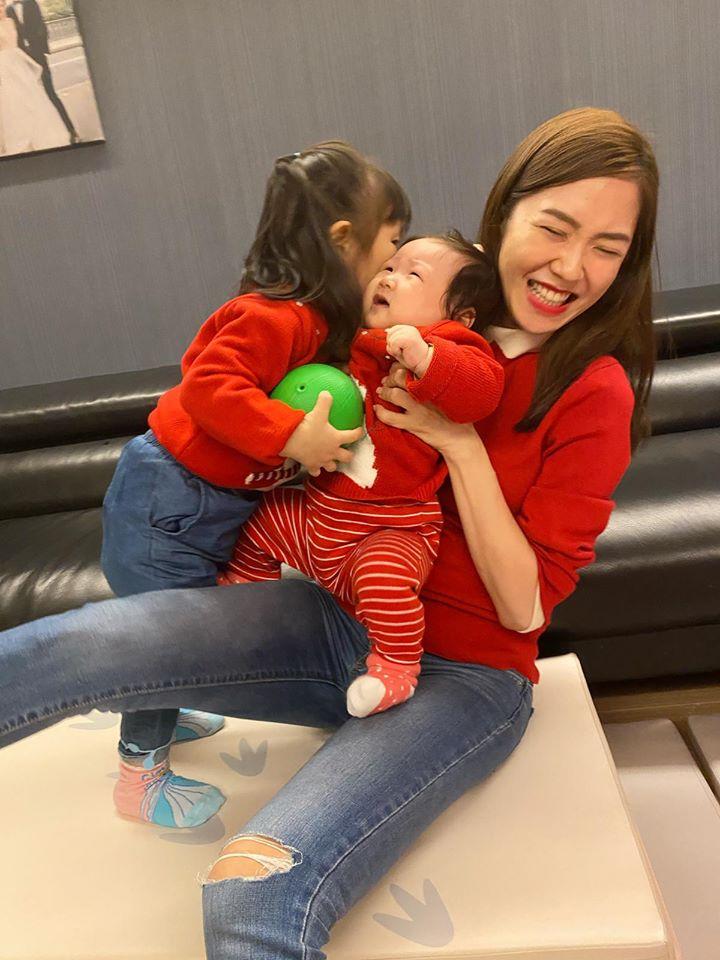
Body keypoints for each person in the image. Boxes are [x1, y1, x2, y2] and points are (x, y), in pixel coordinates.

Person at [0, 107, 658, 960]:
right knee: (74, 645)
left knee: (251, 894)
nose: (572, 266)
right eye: (556, 228)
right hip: (330, 621)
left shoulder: (593, 389)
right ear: (505, 215)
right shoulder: (407, 311)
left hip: (461, 675)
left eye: (608, 247)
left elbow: (526, 607)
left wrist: (459, 445)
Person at [100, 140, 411, 828]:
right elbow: (209, 385)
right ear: (343, 241)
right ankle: (139, 777)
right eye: (390, 249)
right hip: (167, 502)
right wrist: (292, 436)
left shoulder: (320, 324)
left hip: (204, 507)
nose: (391, 267)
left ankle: (165, 707)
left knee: (185, 637)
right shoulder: (274, 316)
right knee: (167, 642)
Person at [221, 233, 505, 719]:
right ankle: (247, 598)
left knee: (386, 581)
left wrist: (424, 356)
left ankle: (395, 668)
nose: (389, 279)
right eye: (389, 267)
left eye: (413, 275)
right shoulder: (352, 338)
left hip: (389, 529)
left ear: (460, 316)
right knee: (263, 519)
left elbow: (482, 391)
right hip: (317, 518)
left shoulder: (452, 345)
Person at [0, 0, 70, 155]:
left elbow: (37, 29)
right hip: (5, 66)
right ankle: (22, 136)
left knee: (40, 95)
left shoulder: (16, 16)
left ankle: (65, 130)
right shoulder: (10, 12)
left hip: (23, 60)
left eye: (2, 5)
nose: (1, 8)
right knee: (13, 101)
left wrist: (39, 51)